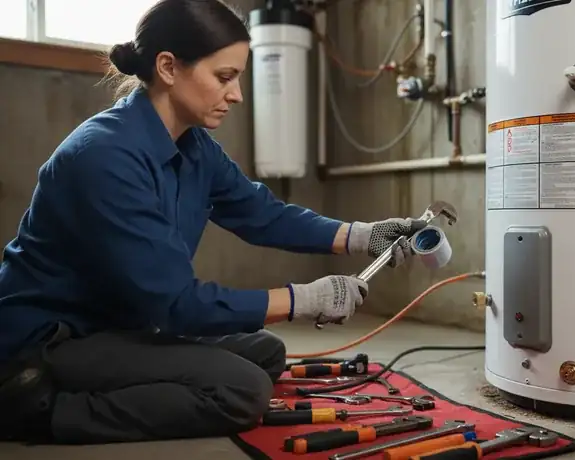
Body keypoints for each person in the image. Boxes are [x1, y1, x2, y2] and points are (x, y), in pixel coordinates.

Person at [0, 0, 427, 445]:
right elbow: (174, 305)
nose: (237, 94)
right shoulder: (104, 156)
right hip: (48, 343)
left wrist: (363, 236)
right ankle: (36, 409)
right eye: (224, 77)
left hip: (116, 323)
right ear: (168, 67)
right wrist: (302, 300)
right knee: (242, 390)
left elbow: (263, 214)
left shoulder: (193, 145)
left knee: (266, 352)